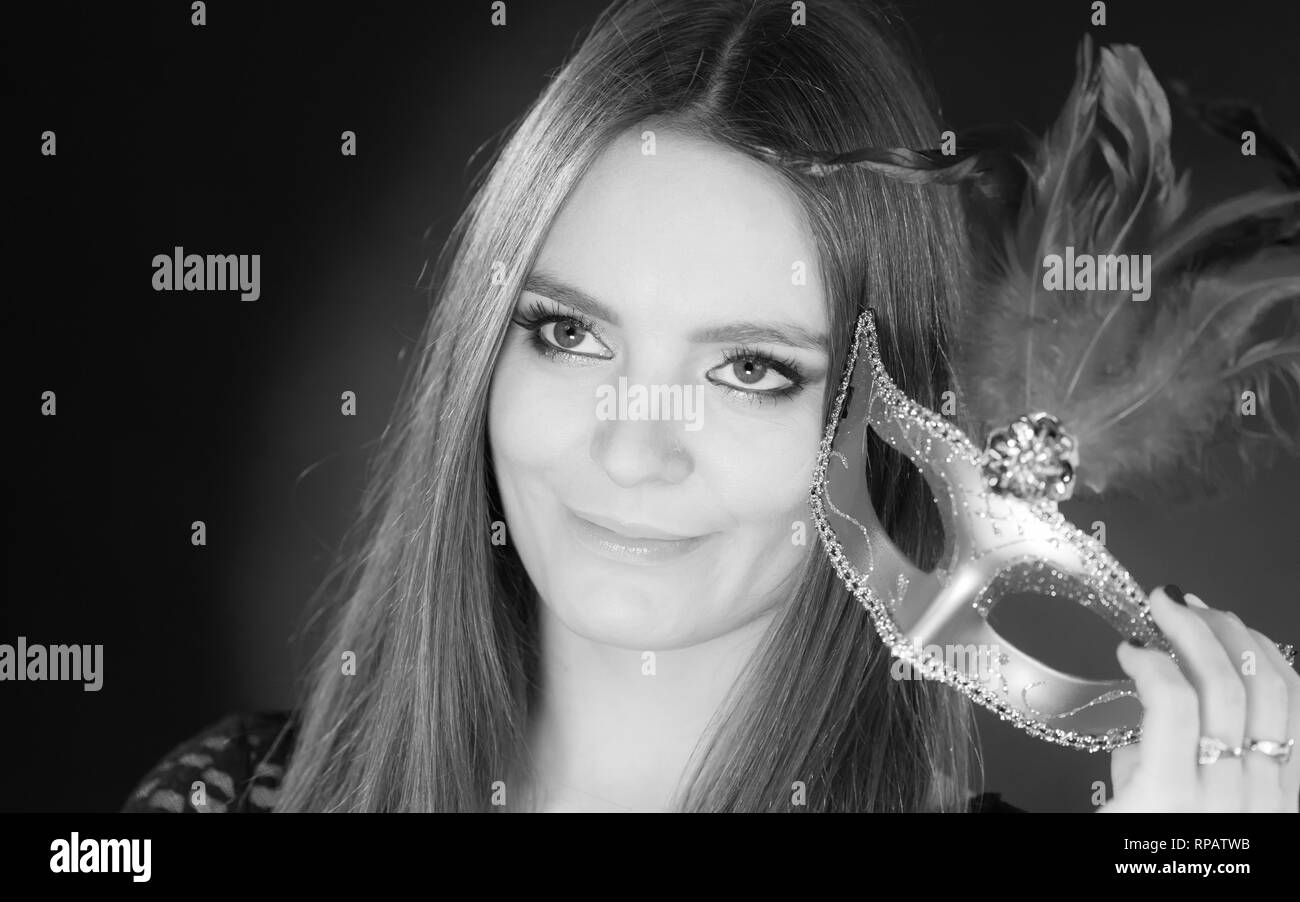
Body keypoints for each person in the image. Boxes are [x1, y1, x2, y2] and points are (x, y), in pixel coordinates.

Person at [123, 0, 1298, 813]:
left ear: (877, 436)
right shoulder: (227, 794)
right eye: (569, 332)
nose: (634, 448)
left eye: (748, 369)